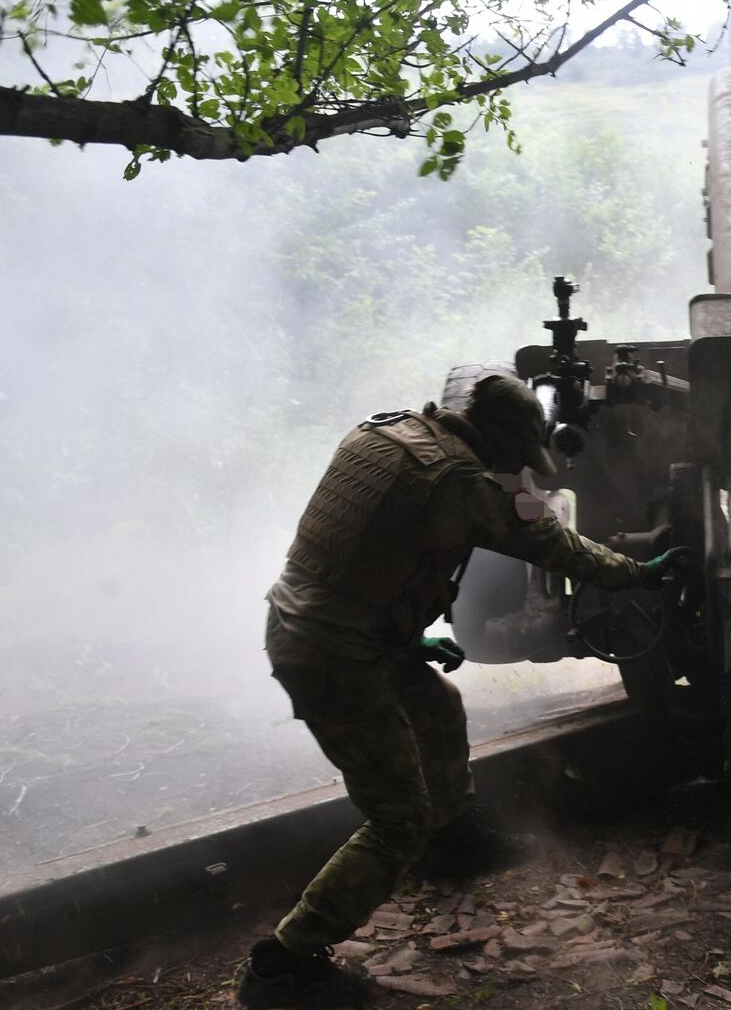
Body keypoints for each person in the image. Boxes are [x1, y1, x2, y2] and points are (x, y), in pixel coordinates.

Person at [238, 375, 689, 1009]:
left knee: (438, 707)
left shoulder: (385, 433)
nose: (515, 474)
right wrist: (638, 572)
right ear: (503, 442)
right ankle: (281, 967)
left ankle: (455, 840)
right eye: (516, 461)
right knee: (398, 822)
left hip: (322, 625)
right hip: (334, 655)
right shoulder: (461, 483)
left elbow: (358, 551)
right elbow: (552, 544)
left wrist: (404, 638)